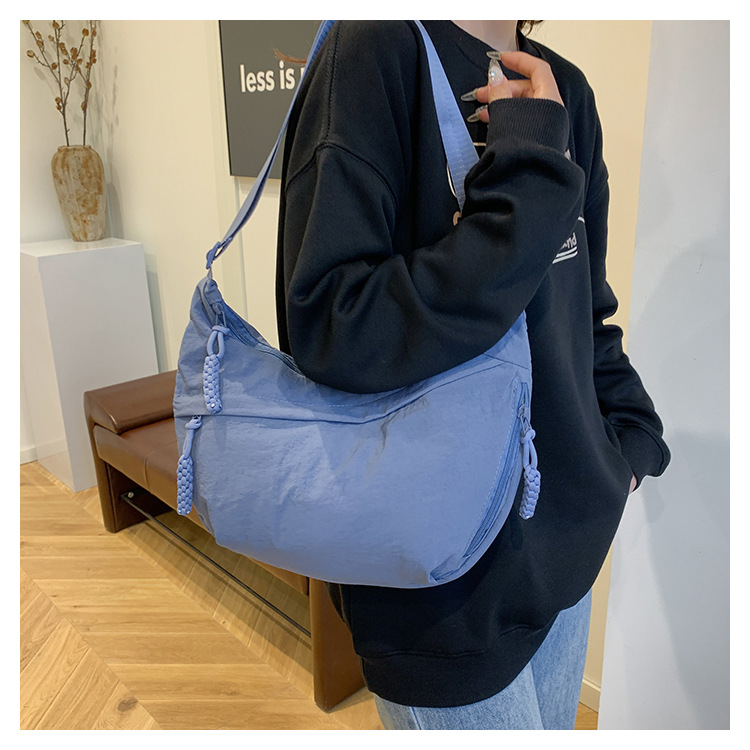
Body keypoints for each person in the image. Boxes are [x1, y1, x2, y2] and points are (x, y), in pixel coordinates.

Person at [274, 20, 670, 730]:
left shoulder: (567, 91)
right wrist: (521, 195)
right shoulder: (374, 50)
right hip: (438, 596)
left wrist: (630, 439)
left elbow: (580, 313)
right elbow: (332, 327)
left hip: (562, 564)